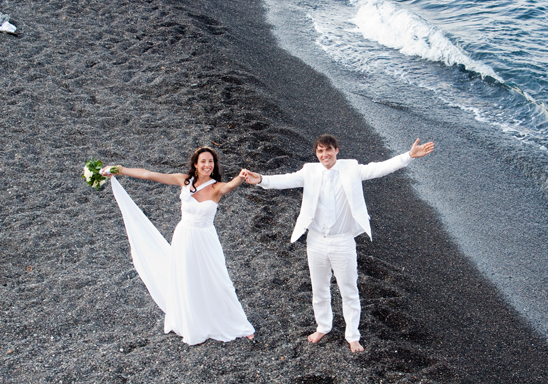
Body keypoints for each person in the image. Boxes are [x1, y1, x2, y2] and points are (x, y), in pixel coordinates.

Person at [240, 134, 434, 352]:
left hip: (343, 241)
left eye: (328, 149)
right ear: (316, 154)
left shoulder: (351, 168)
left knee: (349, 290)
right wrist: (260, 179)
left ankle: (352, 336)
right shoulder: (309, 171)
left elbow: (380, 168)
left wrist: (409, 156)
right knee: (319, 289)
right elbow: (285, 180)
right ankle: (323, 326)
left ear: (337, 150)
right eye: (320, 151)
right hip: (315, 241)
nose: (325, 154)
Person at [101, 147, 255, 345]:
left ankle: (238, 324)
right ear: (196, 164)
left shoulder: (217, 187)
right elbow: (149, 175)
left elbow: (230, 185)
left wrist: (241, 177)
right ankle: (193, 320)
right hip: (184, 236)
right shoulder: (184, 180)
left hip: (206, 239)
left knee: (219, 279)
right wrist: (120, 170)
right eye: (204, 161)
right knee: (186, 277)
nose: (208, 165)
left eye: (211, 162)